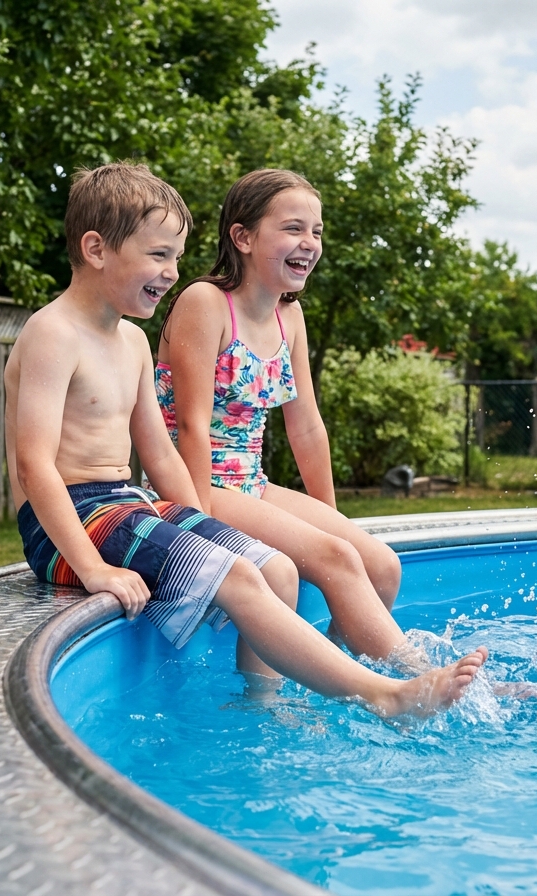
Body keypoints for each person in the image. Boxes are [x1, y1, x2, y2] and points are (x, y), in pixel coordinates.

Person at [5, 162, 486, 717]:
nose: (170, 272)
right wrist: (92, 567)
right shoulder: (52, 333)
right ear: (96, 249)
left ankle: (266, 708)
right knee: (237, 572)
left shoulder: (132, 341)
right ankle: (386, 695)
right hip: (68, 521)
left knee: (277, 569)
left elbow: (158, 450)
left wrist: (196, 524)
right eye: (159, 256)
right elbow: (32, 465)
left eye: (176, 257)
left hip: (126, 503)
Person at [156, 168, 412, 663]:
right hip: (197, 484)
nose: (310, 242)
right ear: (243, 237)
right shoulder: (205, 303)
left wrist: (331, 519)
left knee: (380, 565)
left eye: (317, 231)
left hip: (252, 481)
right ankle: (417, 682)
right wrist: (197, 518)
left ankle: (335, 679)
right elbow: (190, 424)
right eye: (294, 228)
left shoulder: (288, 316)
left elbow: (307, 426)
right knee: (337, 560)